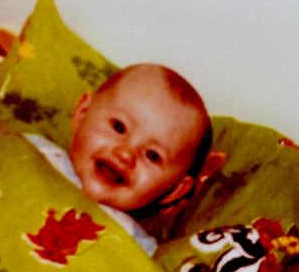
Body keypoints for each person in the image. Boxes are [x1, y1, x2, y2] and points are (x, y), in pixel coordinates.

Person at [25, 64, 212, 255]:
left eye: (152, 155)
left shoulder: (138, 249)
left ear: (175, 191)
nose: (125, 154)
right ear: (83, 114)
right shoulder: (32, 151)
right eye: (119, 127)